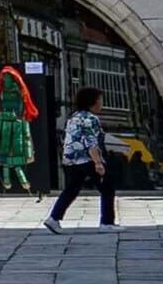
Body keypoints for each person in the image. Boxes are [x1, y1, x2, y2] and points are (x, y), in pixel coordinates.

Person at [43, 86, 117, 232]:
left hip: (71, 160)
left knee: (71, 189)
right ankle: (107, 223)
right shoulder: (90, 119)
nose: (101, 104)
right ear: (93, 101)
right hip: (87, 159)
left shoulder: (73, 117)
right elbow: (91, 142)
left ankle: (53, 218)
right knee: (107, 188)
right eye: (100, 100)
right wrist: (98, 163)